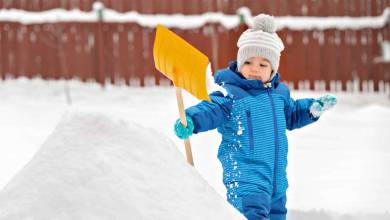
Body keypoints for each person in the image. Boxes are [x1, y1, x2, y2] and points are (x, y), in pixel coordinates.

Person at [173, 14, 337, 220]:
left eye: (263, 64)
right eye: (248, 61)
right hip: (245, 179)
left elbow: (292, 114)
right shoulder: (231, 93)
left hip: (276, 180)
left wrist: (312, 109)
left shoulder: (279, 95)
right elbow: (211, 109)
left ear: (273, 68)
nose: (254, 69)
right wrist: (192, 120)